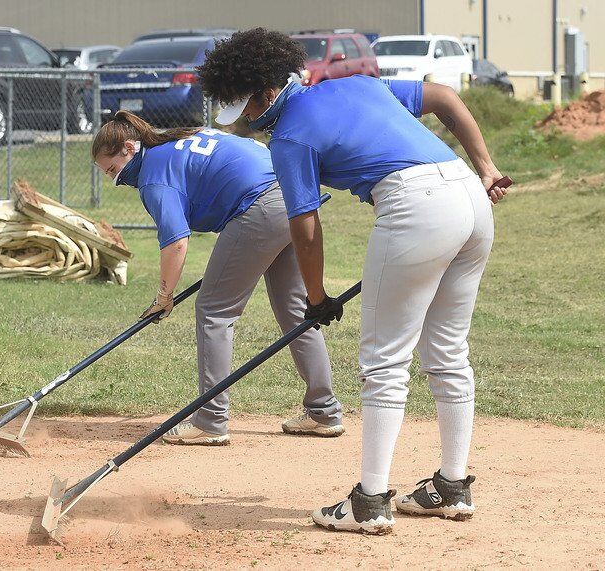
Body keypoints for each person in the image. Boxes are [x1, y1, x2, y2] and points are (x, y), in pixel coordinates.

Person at [197, 28, 510, 533]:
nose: (246, 124)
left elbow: (304, 223)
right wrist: (487, 168)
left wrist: (316, 297)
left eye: (246, 111)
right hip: (468, 196)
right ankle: (451, 488)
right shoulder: (358, 83)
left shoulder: (289, 137)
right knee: (449, 351)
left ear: (265, 93)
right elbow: (444, 98)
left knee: (384, 360)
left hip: (415, 205)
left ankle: (370, 501)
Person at [91, 111, 346, 446]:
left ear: (128, 147)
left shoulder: (153, 175)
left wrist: (163, 296)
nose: (116, 180)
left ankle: (210, 420)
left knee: (214, 310)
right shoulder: (175, 138)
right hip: (291, 196)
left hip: (258, 206)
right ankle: (323, 412)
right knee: (299, 311)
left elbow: (176, 242)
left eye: (113, 169)